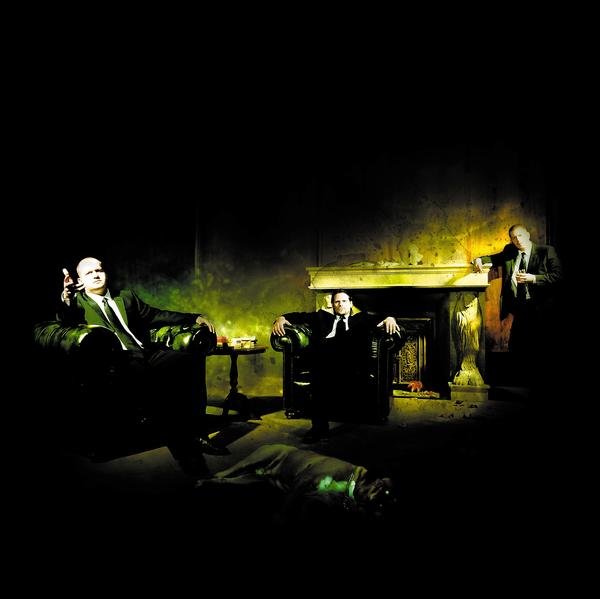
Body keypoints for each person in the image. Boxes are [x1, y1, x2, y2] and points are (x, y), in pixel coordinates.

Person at [58, 256, 229, 474]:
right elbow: (66, 321)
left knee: (190, 358)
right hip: (116, 362)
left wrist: (193, 318)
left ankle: (198, 432)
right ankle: (188, 454)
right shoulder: (77, 303)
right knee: (155, 384)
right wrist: (67, 297)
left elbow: (156, 315)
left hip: (144, 353)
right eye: (89, 273)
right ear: (80, 280)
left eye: (99, 270)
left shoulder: (125, 296)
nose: (96, 275)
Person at [272, 289, 402, 442]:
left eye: (344, 301)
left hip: (350, 361)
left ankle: (320, 426)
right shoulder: (322, 317)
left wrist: (390, 319)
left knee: (327, 363)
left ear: (351, 304)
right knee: (320, 371)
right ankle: (319, 428)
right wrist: (280, 319)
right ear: (333, 305)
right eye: (337, 302)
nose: (341, 304)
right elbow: (298, 316)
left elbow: (382, 317)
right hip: (324, 360)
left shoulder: (361, 319)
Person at [194, 443, 396, 525]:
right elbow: (302, 482)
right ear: (373, 482)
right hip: (283, 455)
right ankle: (219, 477)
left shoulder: (351, 489)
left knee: (249, 481)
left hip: (277, 479)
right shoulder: (341, 471)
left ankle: (217, 482)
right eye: (378, 489)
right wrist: (283, 513)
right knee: (242, 467)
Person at [472, 223, 563, 385]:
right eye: (514, 238)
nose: (518, 240)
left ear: (527, 234)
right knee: (517, 345)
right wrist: (479, 259)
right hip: (519, 308)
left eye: (520, 236)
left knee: (541, 345)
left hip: (541, 308)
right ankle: (522, 383)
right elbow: (494, 258)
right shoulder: (510, 251)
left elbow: (558, 276)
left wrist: (533, 278)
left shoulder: (546, 251)